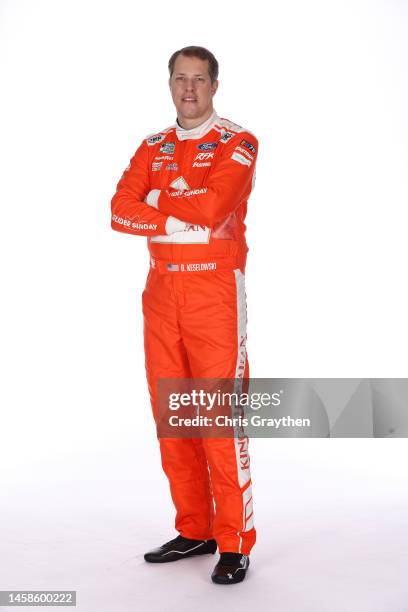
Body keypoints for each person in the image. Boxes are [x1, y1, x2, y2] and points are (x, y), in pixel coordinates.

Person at [111, 45, 259, 585]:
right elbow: (118, 210)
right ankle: (195, 527)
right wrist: (173, 218)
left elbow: (215, 208)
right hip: (161, 294)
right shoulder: (152, 145)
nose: (189, 89)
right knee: (174, 419)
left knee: (218, 421)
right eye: (180, 79)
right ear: (169, 84)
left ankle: (234, 541)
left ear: (215, 85)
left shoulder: (237, 142)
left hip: (214, 294)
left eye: (199, 79)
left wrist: (156, 204)